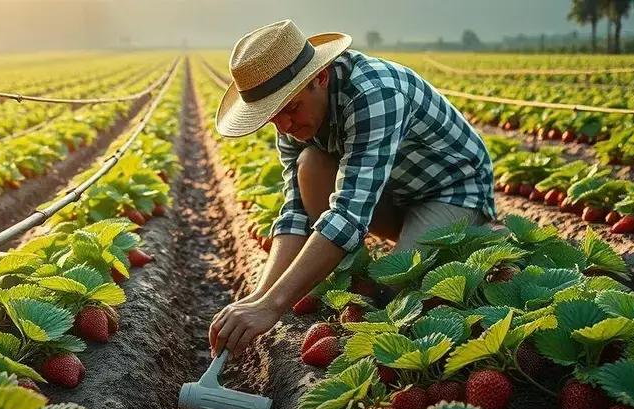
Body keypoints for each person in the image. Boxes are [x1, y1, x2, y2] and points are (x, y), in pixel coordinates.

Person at [208, 19, 495, 357]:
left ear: (320, 77)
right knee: (310, 165)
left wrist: (274, 306)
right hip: (392, 192)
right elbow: (296, 211)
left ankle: (465, 237)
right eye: (273, 117)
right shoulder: (289, 121)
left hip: (452, 191)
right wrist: (258, 299)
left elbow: (348, 215)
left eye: (291, 108)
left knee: (394, 298)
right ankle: (354, 261)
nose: (284, 125)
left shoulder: (374, 93)